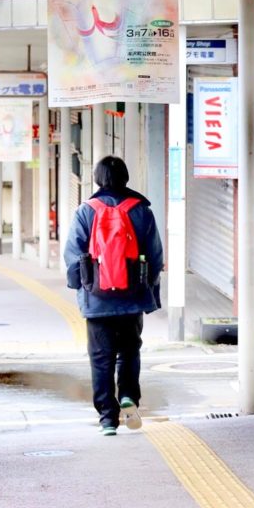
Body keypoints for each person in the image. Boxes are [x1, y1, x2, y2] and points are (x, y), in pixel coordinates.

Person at [65, 155, 163, 435]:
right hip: (131, 297)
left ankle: (108, 419)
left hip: (97, 299)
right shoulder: (141, 209)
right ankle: (129, 395)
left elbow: (73, 255)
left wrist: (80, 287)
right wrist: (149, 289)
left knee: (101, 358)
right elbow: (155, 256)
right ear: (125, 177)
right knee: (130, 350)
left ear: (97, 178)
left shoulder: (86, 210)